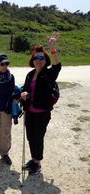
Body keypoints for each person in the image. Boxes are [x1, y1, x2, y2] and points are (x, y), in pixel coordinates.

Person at [20, 33, 61, 175]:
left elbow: (57, 66)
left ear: (45, 60)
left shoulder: (48, 74)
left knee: (38, 137)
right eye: (36, 58)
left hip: (42, 113)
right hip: (29, 112)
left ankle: (37, 163)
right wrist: (24, 94)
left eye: (41, 58)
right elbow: (26, 88)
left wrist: (52, 48)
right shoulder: (30, 74)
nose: (38, 60)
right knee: (30, 136)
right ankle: (33, 159)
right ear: (33, 60)